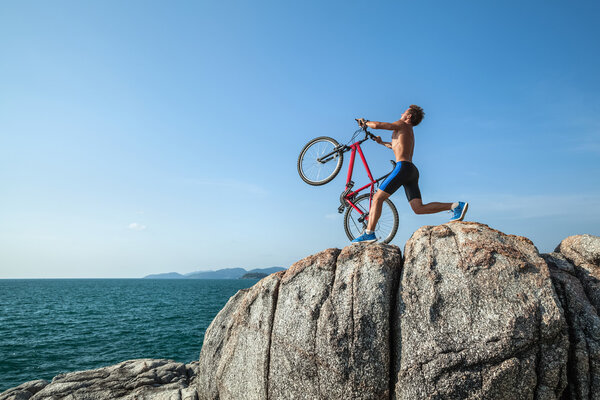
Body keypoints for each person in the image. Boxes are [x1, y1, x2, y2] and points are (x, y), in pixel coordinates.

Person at [352, 105, 468, 243]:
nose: (401, 113)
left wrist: (365, 122)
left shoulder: (401, 125)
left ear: (409, 117)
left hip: (403, 168)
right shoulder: (407, 131)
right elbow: (395, 146)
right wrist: (382, 142)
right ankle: (455, 206)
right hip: (411, 170)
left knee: (377, 198)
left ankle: (369, 233)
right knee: (418, 208)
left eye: (404, 112)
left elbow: (378, 125)